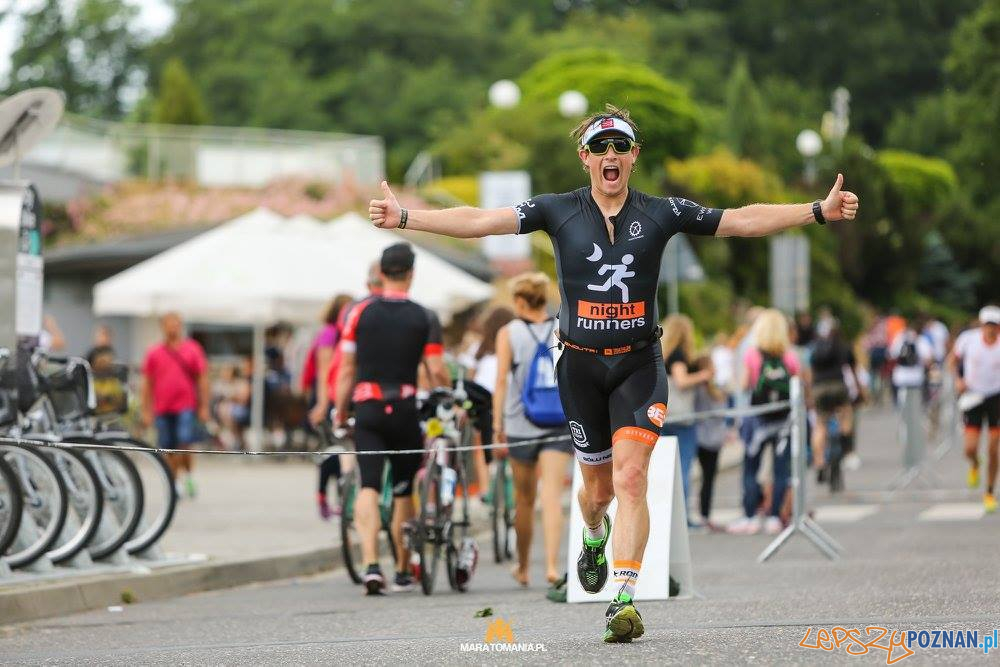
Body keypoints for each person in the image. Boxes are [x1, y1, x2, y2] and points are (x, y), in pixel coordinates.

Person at [367, 104, 859, 641]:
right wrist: (407, 219)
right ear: (584, 158)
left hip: (637, 364)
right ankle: (594, 534)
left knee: (631, 477)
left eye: (620, 147)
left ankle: (622, 598)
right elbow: (483, 222)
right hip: (579, 366)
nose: (610, 156)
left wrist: (816, 210)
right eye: (600, 148)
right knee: (595, 492)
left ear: (633, 158)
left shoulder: (662, 211)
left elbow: (738, 220)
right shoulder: (558, 211)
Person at [333, 243, 451, 595]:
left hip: (368, 408)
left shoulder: (358, 314)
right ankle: (401, 569)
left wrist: (340, 409)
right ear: (412, 275)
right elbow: (435, 368)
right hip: (404, 407)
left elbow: (346, 368)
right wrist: (446, 391)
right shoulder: (424, 317)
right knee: (404, 490)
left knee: (368, 485)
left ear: (381, 274)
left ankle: (371, 564)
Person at [492, 272, 572, 587]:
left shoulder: (508, 333)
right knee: (551, 496)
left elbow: (501, 380)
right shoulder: (560, 329)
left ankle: (524, 566)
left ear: (520, 301)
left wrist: (497, 423)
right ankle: (552, 566)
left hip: (519, 422)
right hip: (558, 420)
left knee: (524, 500)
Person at [317, 264, 384, 520]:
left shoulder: (353, 313)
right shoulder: (333, 331)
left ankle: (347, 487)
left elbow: (339, 368)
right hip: (366, 389)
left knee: (347, 445)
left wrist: (334, 403)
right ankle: (349, 489)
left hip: (346, 388)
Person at [729, 309, 801, 536]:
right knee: (781, 471)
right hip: (783, 421)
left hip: (757, 420)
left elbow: (743, 385)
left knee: (751, 469)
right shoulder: (789, 356)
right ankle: (773, 517)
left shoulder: (752, 354)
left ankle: (750, 516)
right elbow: (799, 385)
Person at [141, 312, 209, 498]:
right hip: (162, 407)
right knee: (167, 446)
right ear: (162, 326)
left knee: (184, 442)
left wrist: (204, 406)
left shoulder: (192, 349)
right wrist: (146, 410)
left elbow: (202, 378)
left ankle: (186, 476)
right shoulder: (154, 352)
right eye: (169, 324)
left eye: (176, 323)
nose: (172, 327)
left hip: (186, 405)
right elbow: (147, 383)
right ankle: (174, 480)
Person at [660, 314, 712, 522]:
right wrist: (704, 376)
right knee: (683, 469)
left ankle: (668, 516)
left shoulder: (662, 355)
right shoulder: (679, 356)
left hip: (665, 418)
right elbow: (681, 381)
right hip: (682, 419)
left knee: (666, 470)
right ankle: (682, 519)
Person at [950, 305, 1000, 513]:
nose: (991, 329)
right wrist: (958, 380)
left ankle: (989, 492)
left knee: (993, 449)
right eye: (988, 325)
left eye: (995, 326)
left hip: (996, 396)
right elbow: (952, 361)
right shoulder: (968, 340)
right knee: (970, 448)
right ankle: (975, 464)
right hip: (972, 396)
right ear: (981, 325)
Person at [810, 317, 862, 484]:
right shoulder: (843, 346)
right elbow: (853, 371)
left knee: (820, 424)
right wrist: (860, 390)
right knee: (846, 415)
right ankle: (845, 444)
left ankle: (819, 462)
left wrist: (810, 393)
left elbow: (809, 372)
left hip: (819, 388)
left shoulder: (814, 347)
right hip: (837, 386)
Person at [692, 353, 727, 531]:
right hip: (705, 438)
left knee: (707, 478)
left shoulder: (715, 389)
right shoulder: (700, 389)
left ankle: (704, 514)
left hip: (711, 438)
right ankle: (704, 514)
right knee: (707, 478)